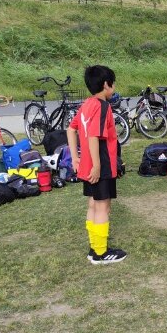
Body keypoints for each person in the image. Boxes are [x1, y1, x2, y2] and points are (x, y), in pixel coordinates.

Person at [67, 65, 127, 264]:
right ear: (106, 85)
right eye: (113, 83)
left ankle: (94, 248)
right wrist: (97, 166)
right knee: (103, 207)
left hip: (87, 163)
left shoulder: (87, 104)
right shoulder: (102, 106)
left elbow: (70, 129)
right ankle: (101, 253)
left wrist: (76, 158)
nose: (114, 87)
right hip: (101, 164)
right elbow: (93, 135)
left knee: (93, 203)